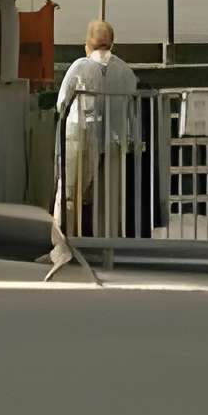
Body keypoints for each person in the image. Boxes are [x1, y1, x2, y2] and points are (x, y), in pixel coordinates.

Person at [54, 19, 143, 261]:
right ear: (112, 43)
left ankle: (63, 248)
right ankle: (107, 250)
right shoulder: (125, 71)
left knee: (70, 194)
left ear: (87, 45)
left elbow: (61, 102)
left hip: (80, 136)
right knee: (109, 198)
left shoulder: (79, 67)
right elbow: (133, 108)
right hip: (114, 140)